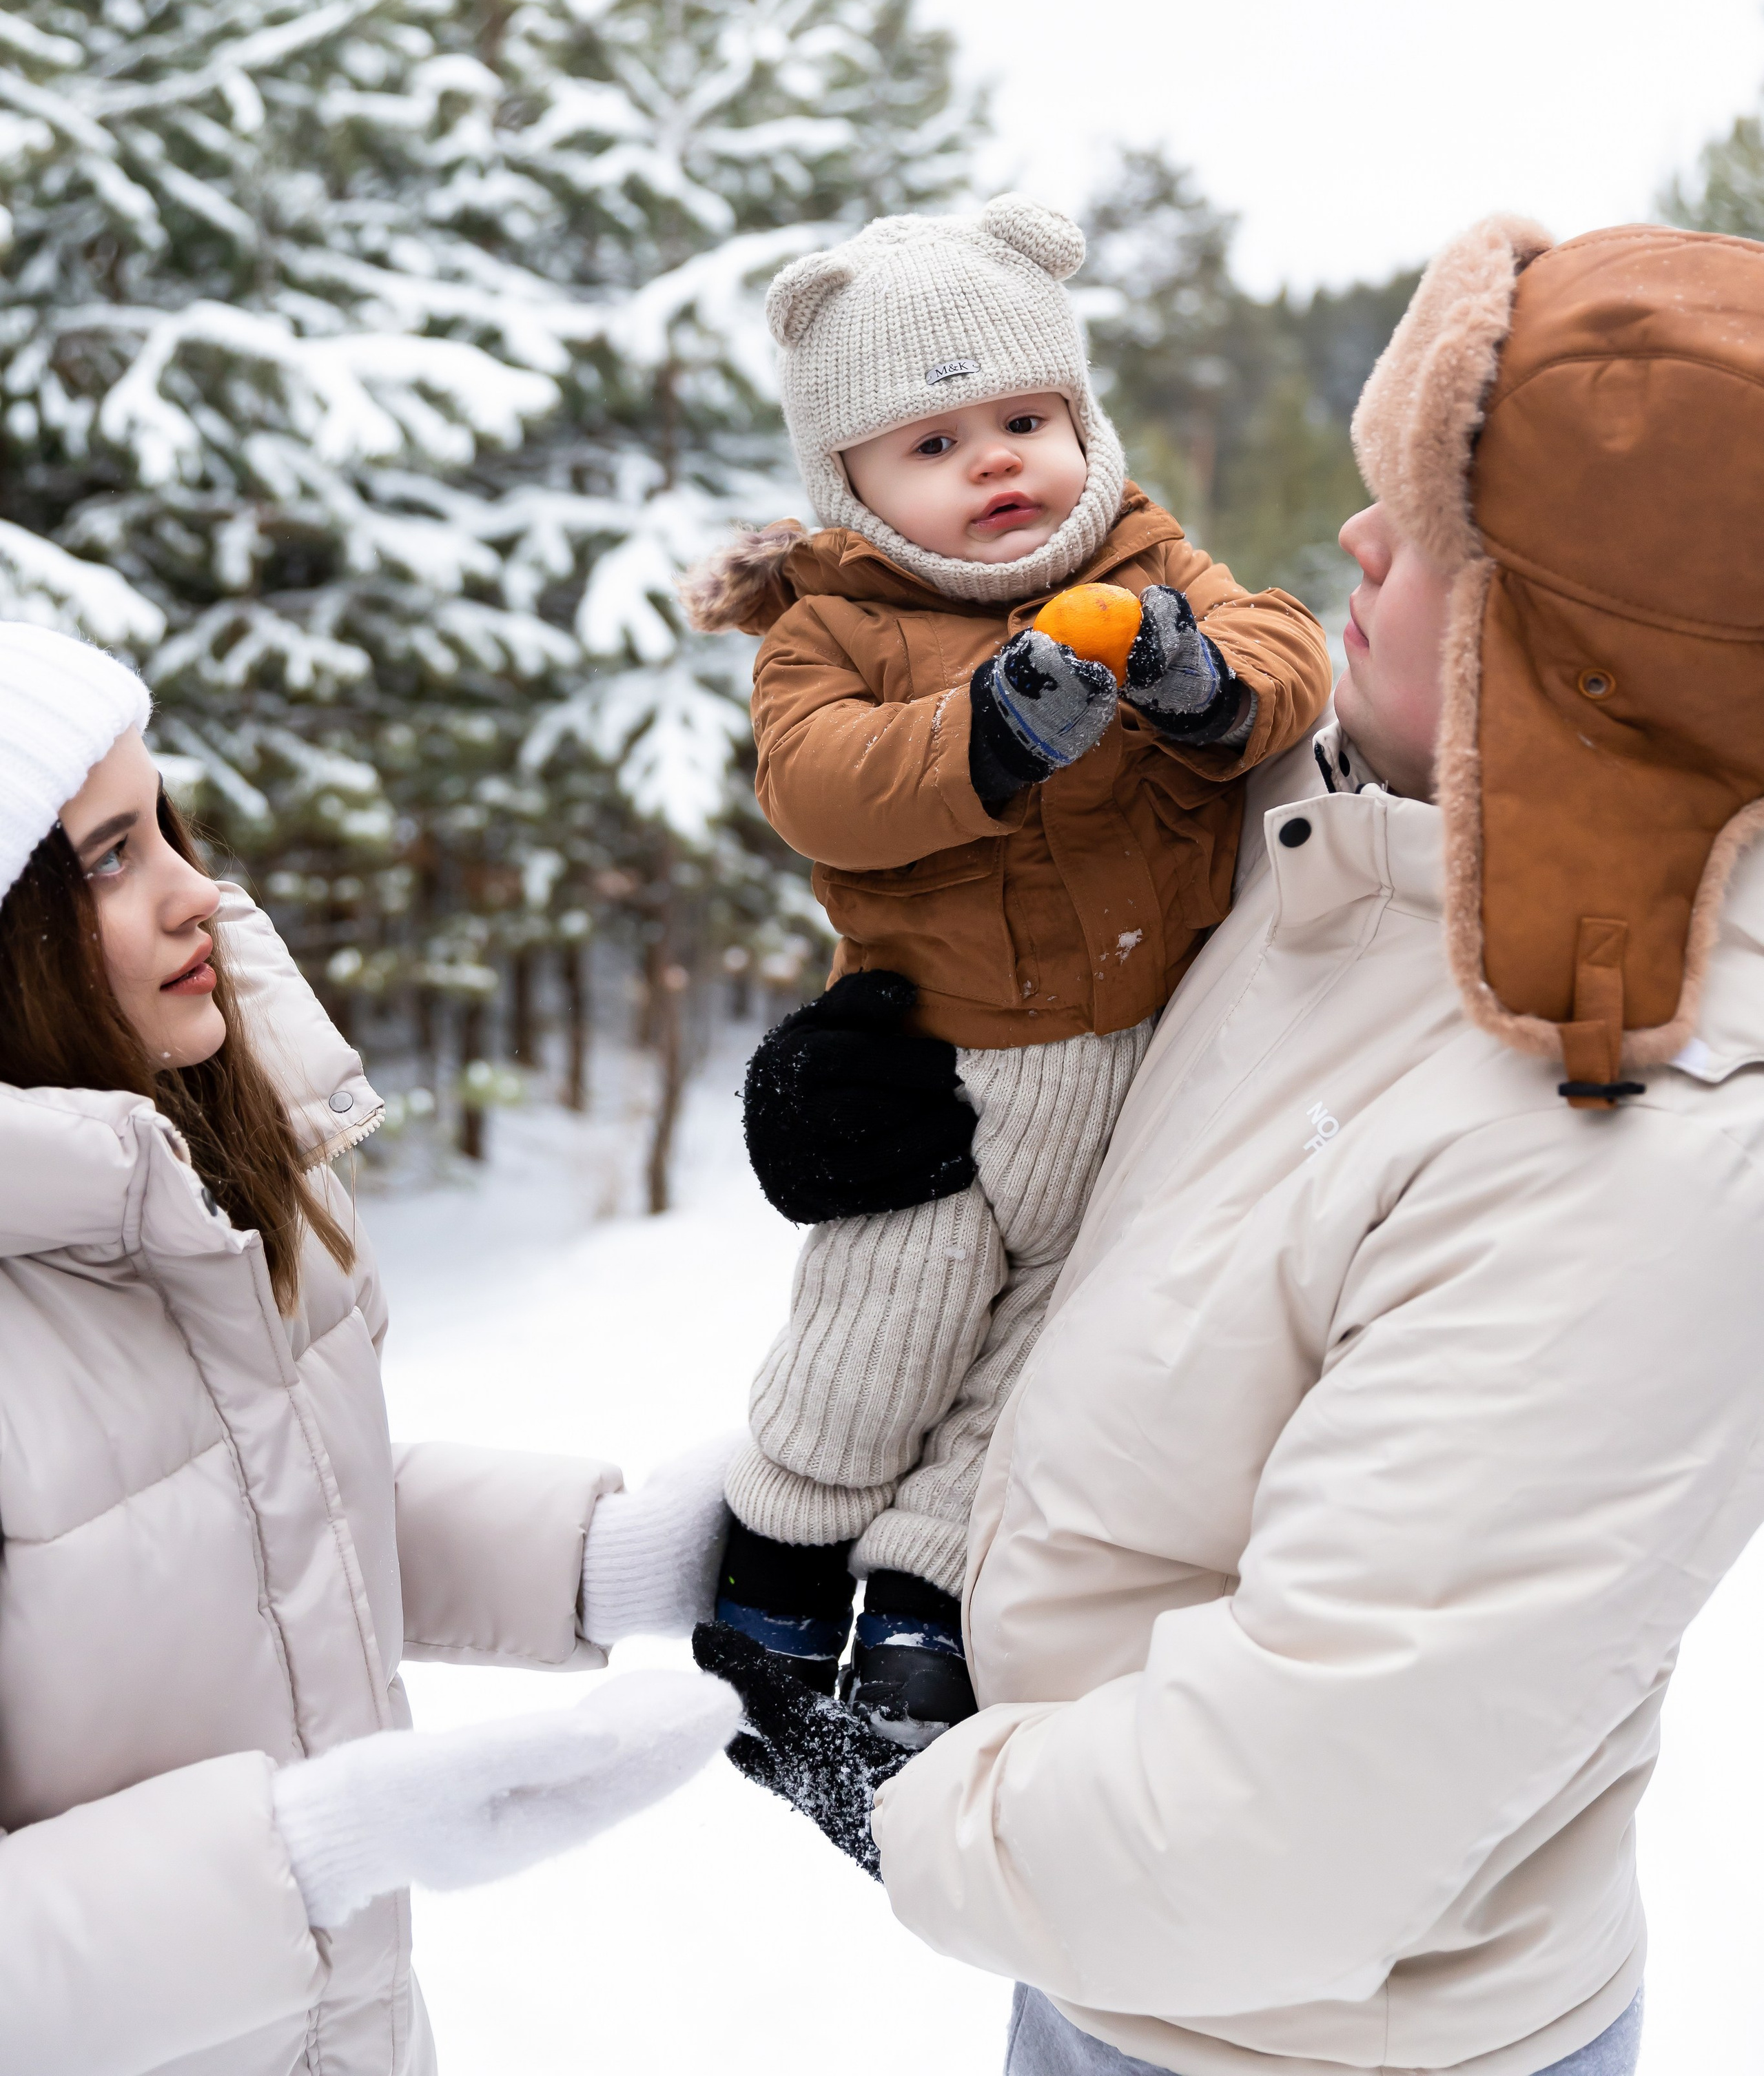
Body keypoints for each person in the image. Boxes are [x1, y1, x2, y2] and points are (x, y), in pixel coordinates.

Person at [701, 216, 1764, 2076]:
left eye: (1432, 529)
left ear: (1595, 649)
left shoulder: (1643, 1153)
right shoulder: (1351, 838)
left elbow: (1288, 1826)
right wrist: (879, 1074)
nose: (1355, 544)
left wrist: (922, 1802)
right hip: (1115, 1965)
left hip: (1301, 2033)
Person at [0, 621, 740, 2075]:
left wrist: (604, 1558)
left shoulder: (185, 1174)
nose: (195, 891)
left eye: (165, 829)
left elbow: (242, 1515)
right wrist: (304, 1858)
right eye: (105, 861)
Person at [683, 194, 1332, 1734]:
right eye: (932, 440)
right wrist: (983, 733)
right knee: (888, 1318)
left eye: (1025, 416)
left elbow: (1291, 654)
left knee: (1048, 1348)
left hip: (1143, 1076)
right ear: (843, 477)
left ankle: (920, 1599)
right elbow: (816, 782)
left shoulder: (1145, 558)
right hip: (955, 1078)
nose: (994, 459)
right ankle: (779, 1546)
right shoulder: (827, 628)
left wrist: (1200, 681)